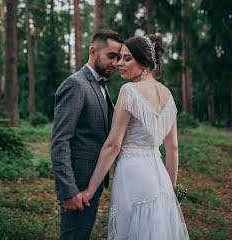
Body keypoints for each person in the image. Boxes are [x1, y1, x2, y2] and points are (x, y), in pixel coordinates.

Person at [81, 34, 189, 239]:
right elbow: (172, 148)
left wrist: (90, 191)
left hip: (132, 174)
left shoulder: (129, 91)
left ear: (145, 62)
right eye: (119, 57)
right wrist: (171, 188)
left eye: (127, 58)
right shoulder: (168, 95)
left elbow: (113, 146)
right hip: (160, 177)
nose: (119, 63)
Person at [51, 30, 124, 240]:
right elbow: (60, 141)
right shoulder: (76, 84)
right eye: (111, 56)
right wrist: (68, 191)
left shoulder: (101, 85)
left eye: (119, 58)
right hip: (77, 186)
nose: (116, 63)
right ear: (93, 51)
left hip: (93, 182)